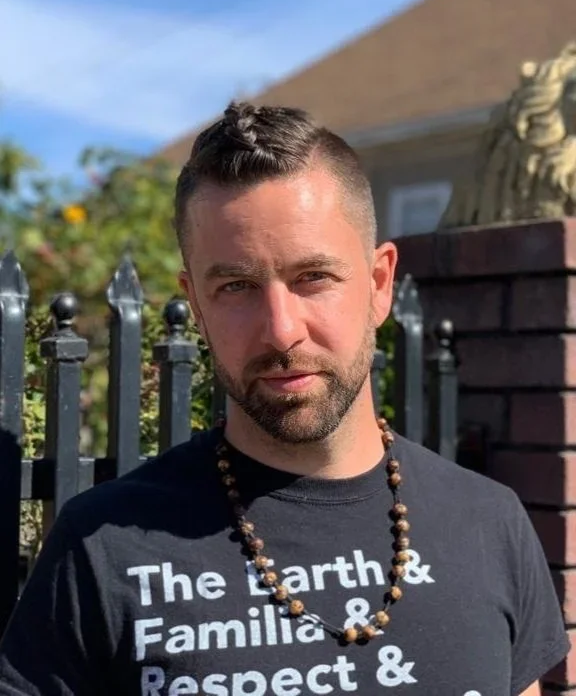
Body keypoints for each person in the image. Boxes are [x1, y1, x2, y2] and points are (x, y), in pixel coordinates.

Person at [0, 102, 569, 696]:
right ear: (196, 305)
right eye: (237, 287)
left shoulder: (489, 522)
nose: (280, 330)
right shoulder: (101, 546)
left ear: (379, 285)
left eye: (313, 278)